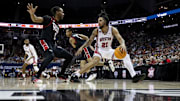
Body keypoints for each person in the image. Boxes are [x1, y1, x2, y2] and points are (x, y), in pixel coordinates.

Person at [72, 11, 146, 83]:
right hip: (99, 50)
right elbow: (89, 41)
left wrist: (122, 44)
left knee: (126, 56)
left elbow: (120, 39)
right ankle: (76, 74)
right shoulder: (96, 30)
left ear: (105, 21)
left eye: (100, 20)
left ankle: (134, 76)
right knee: (94, 61)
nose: (98, 22)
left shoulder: (113, 29)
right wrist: (82, 47)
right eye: (98, 21)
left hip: (109, 50)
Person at [27, 3, 73, 83]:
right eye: (62, 12)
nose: (63, 14)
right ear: (57, 12)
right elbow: (36, 19)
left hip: (53, 45)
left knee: (69, 56)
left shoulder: (57, 25)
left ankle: (61, 74)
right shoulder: (48, 19)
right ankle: (36, 75)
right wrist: (32, 14)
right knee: (50, 56)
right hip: (44, 41)